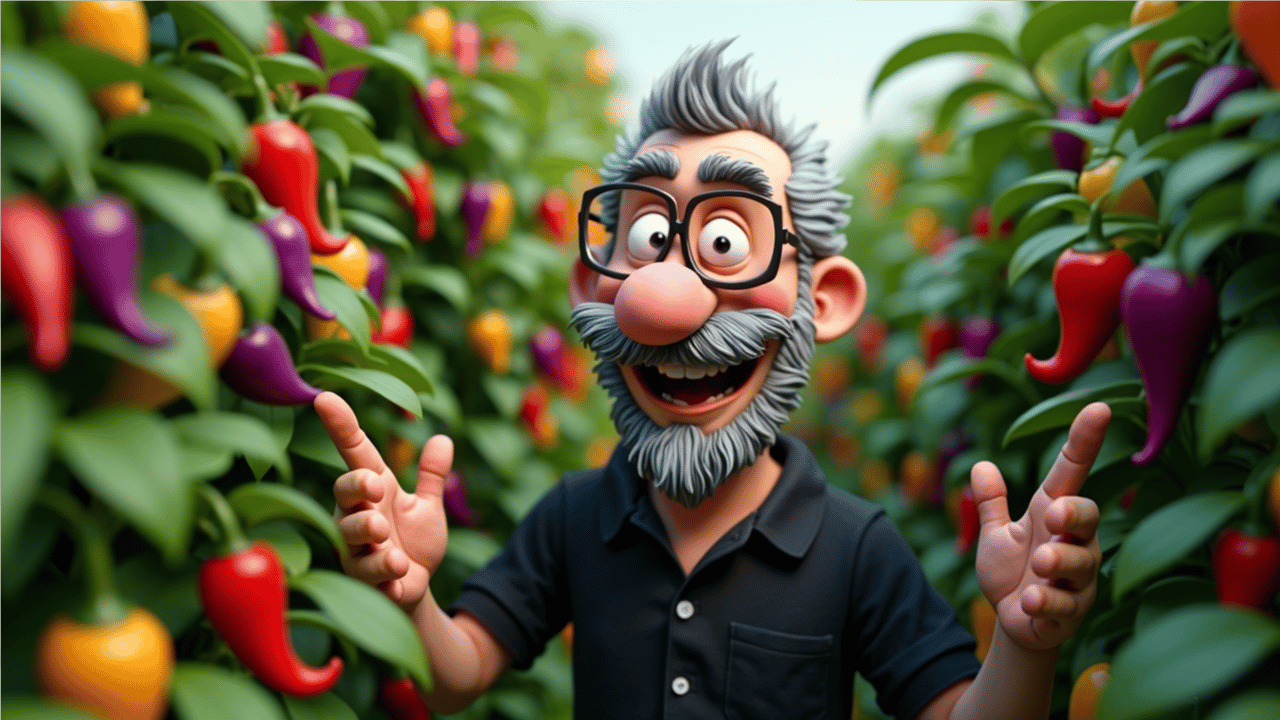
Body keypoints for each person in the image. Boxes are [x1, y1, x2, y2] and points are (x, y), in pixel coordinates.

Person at [316, 40, 1110, 719]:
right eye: (650, 236)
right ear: (592, 284)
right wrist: (411, 595)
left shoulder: (854, 544)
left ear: (823, 298)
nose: (669, 302)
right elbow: (460, 677)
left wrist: (1021, 642)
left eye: (726, 239)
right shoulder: (574, 517)